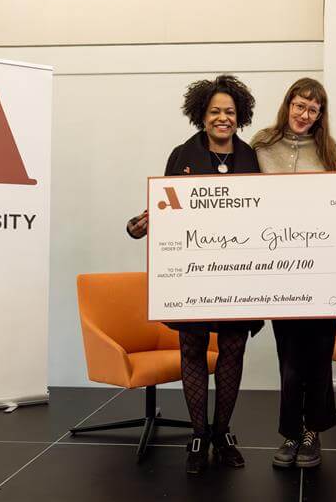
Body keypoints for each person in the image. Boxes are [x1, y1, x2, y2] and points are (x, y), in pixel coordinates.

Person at [126, 75, 264, 474]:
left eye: (230, 112)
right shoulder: (181, 155)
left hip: (238, 273)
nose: (223, 118)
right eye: (215, 111)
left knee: (233, 350)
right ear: (201, 115)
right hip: (191, 274)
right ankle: (198, 435)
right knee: (192, 349)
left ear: (240, 116)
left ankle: (222, 433)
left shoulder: (251, 158)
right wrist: (142, 223)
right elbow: (166, 207)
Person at [250, 78, 336, 468]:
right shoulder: (261, 144)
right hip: (280, 269)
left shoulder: (330, 152)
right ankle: (291, 432)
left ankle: (312, 433)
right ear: (287, 104)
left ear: (320, 115)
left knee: (319, 353)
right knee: (289, 356)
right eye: (299, 105)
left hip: (322, 270)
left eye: (313, 110)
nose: (304, 115)